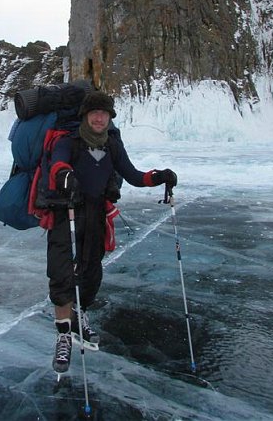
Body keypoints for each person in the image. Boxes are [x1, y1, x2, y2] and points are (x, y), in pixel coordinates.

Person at [45, 91, 178, 373]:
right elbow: (58, 163)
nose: (99, 117)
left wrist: (159, 176)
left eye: (104, 113)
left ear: (110, 117)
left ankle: (80, 314)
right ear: (85, 115)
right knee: (62, 275)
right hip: (65, 213)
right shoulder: (68, 141)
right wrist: (63, 175)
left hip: (95, 216)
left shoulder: (112, 145)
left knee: (92, 273)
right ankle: (63, 336)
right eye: (94, 113)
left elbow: (133, 175)